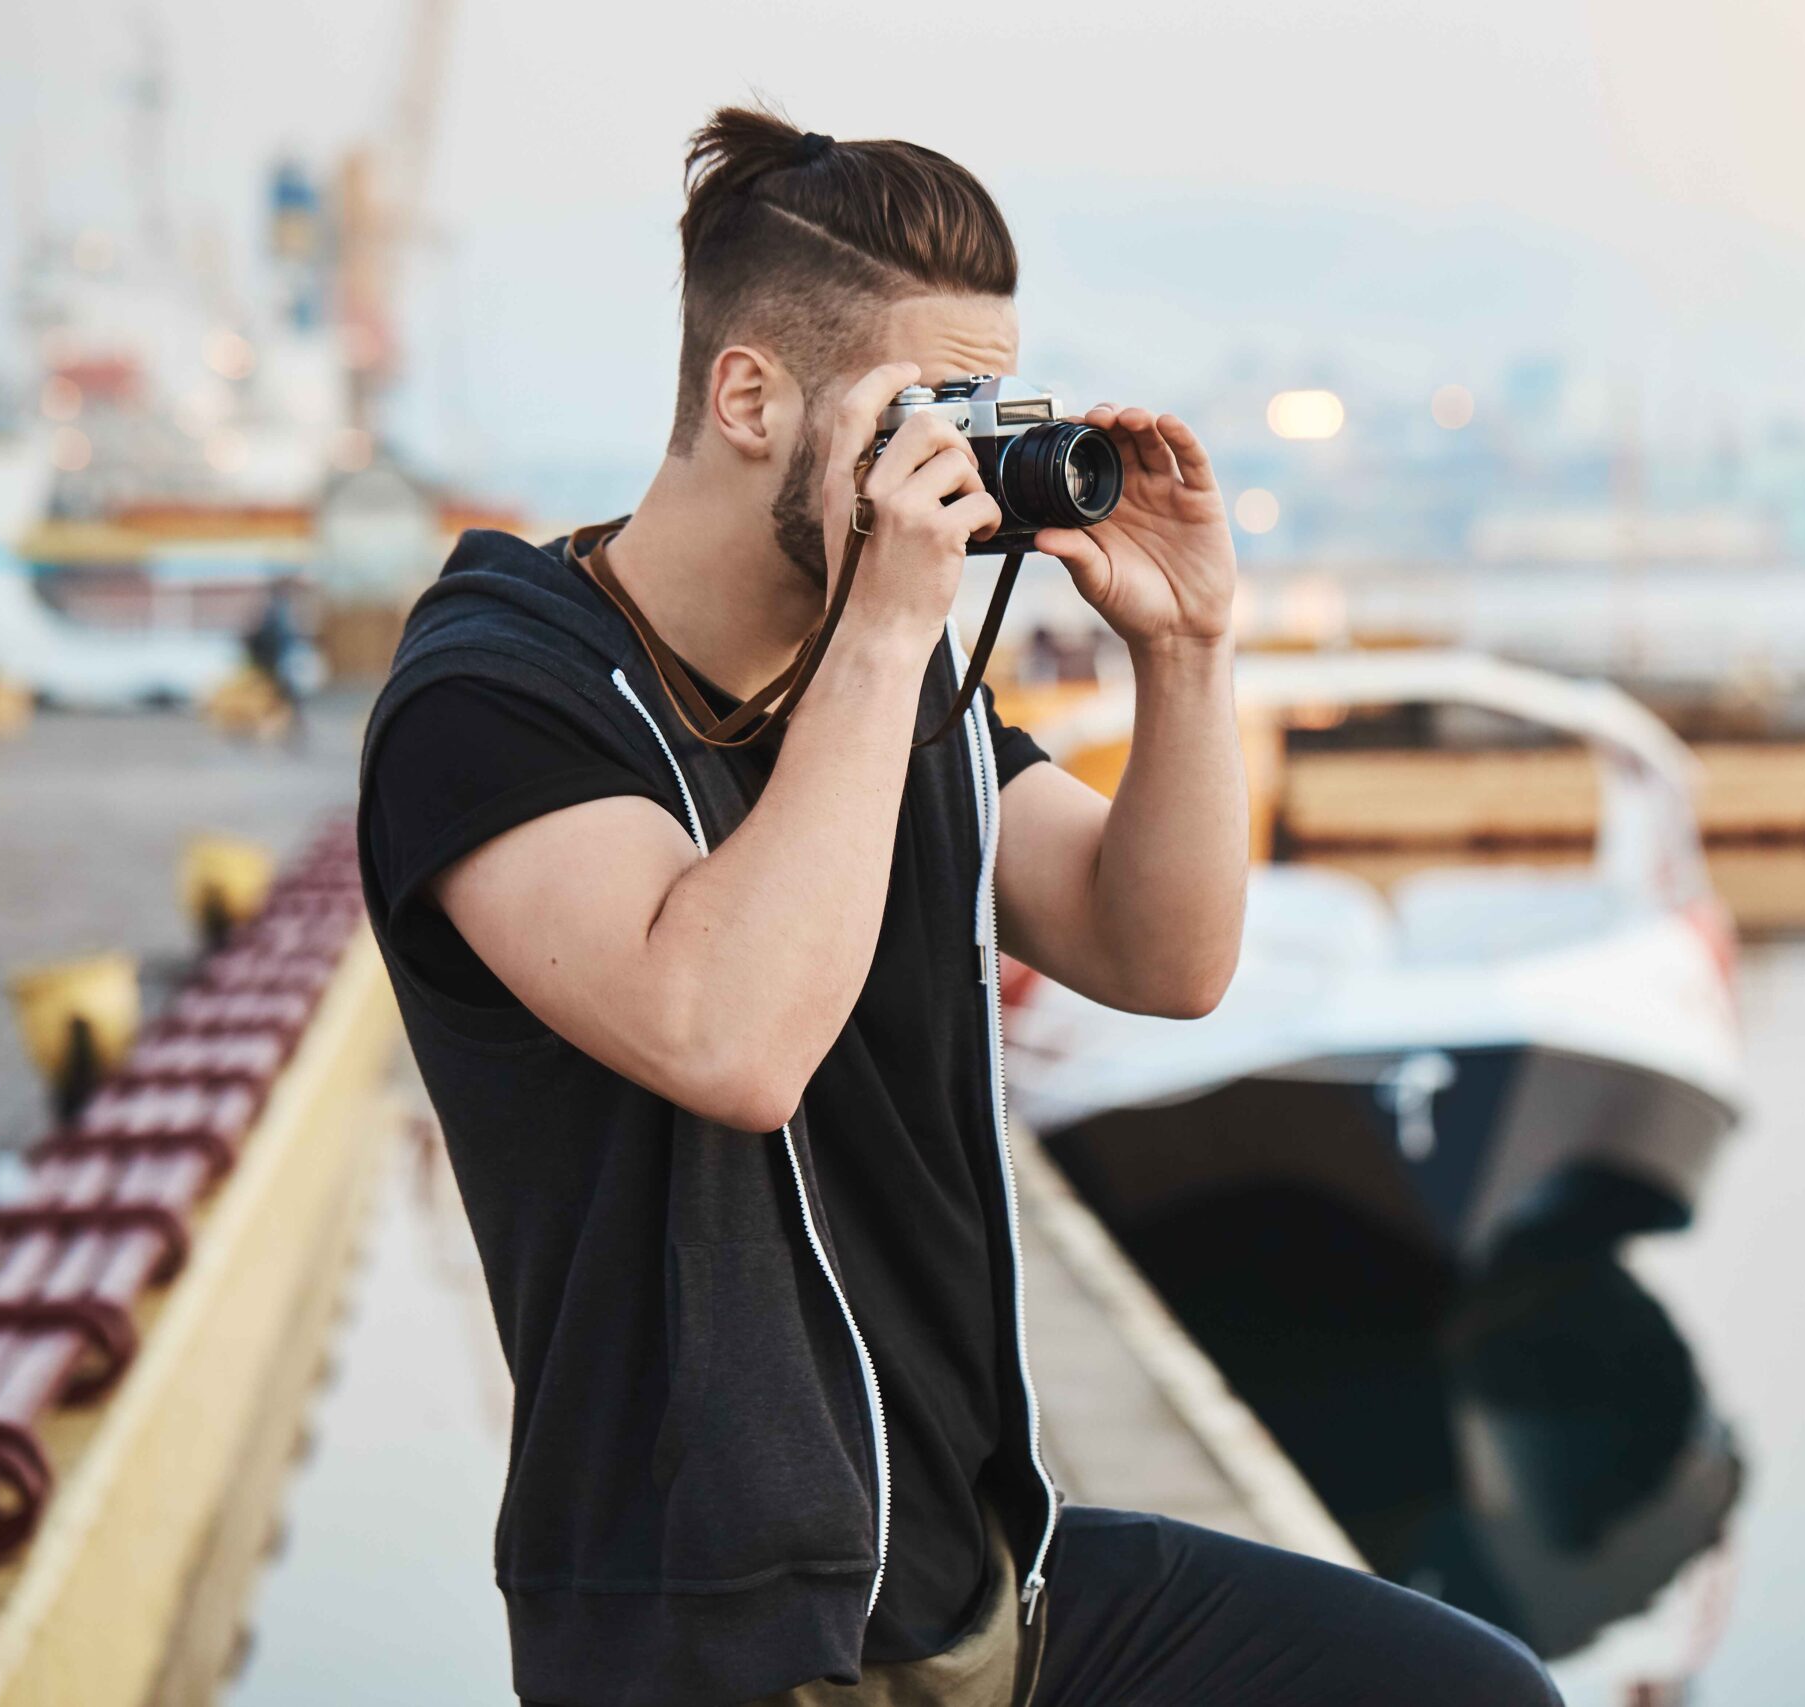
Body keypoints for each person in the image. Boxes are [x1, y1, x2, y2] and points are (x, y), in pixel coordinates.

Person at [355, 104, 1562, 1707]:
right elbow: (730, 1038)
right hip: (715, 1626)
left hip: (985, 1568)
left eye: (985, 409)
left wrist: (1186, 648)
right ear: (747, 395)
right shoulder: (497, 697)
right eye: (927, 408)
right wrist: (884, 631)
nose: (962, 462)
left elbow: (1166, 955)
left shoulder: (894, 680)